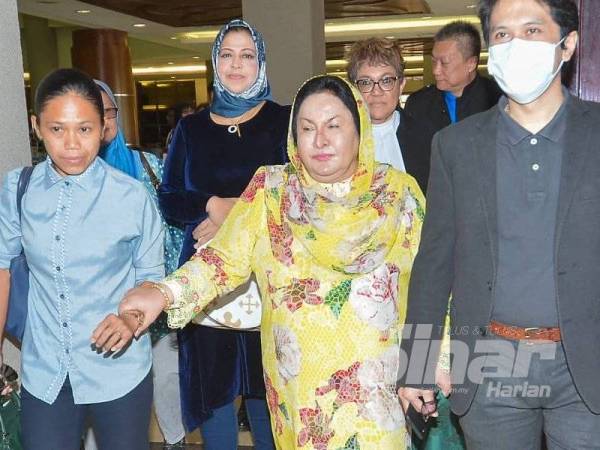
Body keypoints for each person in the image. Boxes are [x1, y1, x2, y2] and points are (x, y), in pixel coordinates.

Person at [119, 74, 425, 450]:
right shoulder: (272, 193)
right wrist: (162, 293)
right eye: (307, 128)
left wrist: (427, 369)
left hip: (380, 399)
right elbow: (221, 261)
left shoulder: (399, 195)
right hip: (300, 403)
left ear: (359, 129)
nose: (321, 140)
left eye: (334, 126)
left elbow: (434, 286)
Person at [398, 0, 600, 449]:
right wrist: (417, 362)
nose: (515, 45)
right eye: (503, 35)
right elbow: (434, 260)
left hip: (585, 363)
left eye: (532, 31)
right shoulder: (456, 146)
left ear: (568, 44)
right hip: (489, 363)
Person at [0, 68, 164, 450]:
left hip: (119, 369)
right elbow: (2, 267)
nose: (72, 144)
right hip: (46, 369)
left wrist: (131, 318)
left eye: (85, 129)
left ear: (105, 127)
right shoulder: (17, 189)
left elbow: (153, 276)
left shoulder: (132, 196)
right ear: (37, 126)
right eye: (57, 129)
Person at [158, 19, 288, 449]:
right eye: (227, 55)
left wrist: (239, 209)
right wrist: (213, 205)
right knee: (213, 392)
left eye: (247, 55)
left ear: (261, 63)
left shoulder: (284, 122)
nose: (237, 65)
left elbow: (300, 192)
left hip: (269, 279)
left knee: (266, 389)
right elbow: (170, 197)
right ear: (215, 62)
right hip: (207, 280)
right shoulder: (190, 130)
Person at [93, 79, 186, 449]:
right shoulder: (68, 181)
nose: (103, 119)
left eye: (109, 111)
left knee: (168, 386)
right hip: (102, 312)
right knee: (110, 406)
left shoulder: (147, 165)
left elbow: (177, 222)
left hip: (157, 303)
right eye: (91, 112)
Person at [404, 21, 502, 168]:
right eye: (434, 62)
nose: (436, 70)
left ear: (471, 63)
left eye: (444, 63)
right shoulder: (418, 104)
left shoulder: (498, 100)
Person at [346, 38, 431, 194]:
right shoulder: (339, 142)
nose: (376, 91)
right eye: (366, 82)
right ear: (353, 88)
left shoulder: (429, 139)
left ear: (401, 86)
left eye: (386, 80)